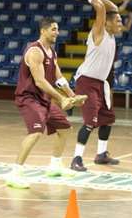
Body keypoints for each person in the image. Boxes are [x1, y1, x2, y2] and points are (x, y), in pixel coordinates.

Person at [5, 17, 85, 189]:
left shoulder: (52, 52)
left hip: (44, 99)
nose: (57, 32)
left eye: (57, 29)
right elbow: (40, 81)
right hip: (29, 98)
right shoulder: (35, 51)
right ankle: (15, 172)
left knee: (65, 128)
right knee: (35, 133)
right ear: (43, 31)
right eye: (54, 29)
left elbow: (59, 78)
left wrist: (73, 95)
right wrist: (62, 99)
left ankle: (55, 165)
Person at [69, 0, 128, 172]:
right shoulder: (99, 32)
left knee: (107, 118)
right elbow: (102, 9)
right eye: (118, 21)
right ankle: (76, 158)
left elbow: (111, 8)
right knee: (90, 122)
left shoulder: (110, 35)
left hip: (101, 83)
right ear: (107, 24)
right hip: (87, 81)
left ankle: (101, 154)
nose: (121, 23)